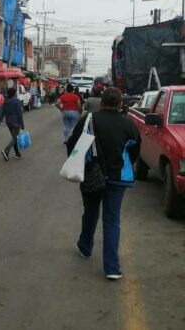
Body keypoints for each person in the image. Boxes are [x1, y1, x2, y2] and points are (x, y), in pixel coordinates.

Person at [67, 87, 140, 280]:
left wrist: (79, 164)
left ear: (101, 102)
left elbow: (72, 144)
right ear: (121, 104)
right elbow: (134, 152)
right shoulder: (128, 125)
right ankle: (112, 268)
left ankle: (85, 247)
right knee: (112, 220)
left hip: (92, 174)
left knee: (90, 212)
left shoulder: (89, 120)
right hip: (118, 178)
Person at [0, 87, 24, 161]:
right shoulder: (17, 101)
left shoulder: (6, 102)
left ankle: (17, 153)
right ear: (14, 93)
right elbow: (19, 113)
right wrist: (22, 124)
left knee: (14, 138)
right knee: (15, 138)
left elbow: (2, 113)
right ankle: (6, 150)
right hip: (16, 122)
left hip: (9, 122)